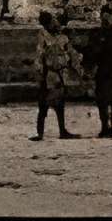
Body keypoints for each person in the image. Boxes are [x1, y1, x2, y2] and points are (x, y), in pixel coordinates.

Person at [83, 2, 112, 137]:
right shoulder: (97, 34)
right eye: (104, 17)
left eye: (109, 16)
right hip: (103, 71)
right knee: (102, 100)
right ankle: (104, 127)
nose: (106, 19)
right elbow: (91, 53)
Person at [31, 10, 76, 140]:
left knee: (60, 104)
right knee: (44, 105)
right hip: (48, 74)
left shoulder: (60, 36)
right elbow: (39, 56)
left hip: (59, 74)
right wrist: (39, 72)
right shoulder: (43, 36)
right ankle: (40, 133)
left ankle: (62, 131)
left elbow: (69, 52)